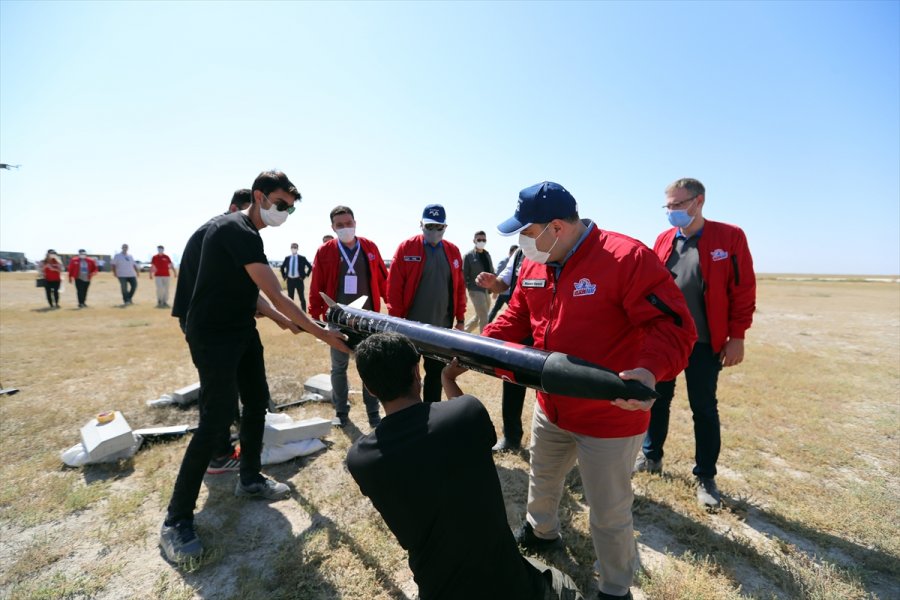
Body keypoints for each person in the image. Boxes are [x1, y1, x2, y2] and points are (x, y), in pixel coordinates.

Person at [483, 181, 696, 600]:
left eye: (528, 232)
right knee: (541, 478)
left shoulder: (626, 258)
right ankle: (543, 533)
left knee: (609, 510)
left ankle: (615, 587)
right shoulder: (533, 266)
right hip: (552, 406)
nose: (524, 242)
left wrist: (651, 369)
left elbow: (673, 327)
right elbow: (517, 318)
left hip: (609, 414)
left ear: (556, 228)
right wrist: (478, 346)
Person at [159, 170, 351, 564]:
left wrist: (285, 321)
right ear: (259, 196)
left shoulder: (238, 231)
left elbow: (250, 292)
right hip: (214, 335)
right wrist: (323, 334)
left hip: (240, 329)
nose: (284, 212)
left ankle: (249, 478)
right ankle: (176, 520)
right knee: (215, 419)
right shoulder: (238, 230)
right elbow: (277, 293)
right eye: (280, 204)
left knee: (257, 402)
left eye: (290, 209)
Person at [347, 332, 584, 600]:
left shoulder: (361, 460)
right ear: (416, 372)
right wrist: (447, 379)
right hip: (511, 585)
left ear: (369, 388)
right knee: (562, 585)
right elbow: (465, 425)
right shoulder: (466, 414)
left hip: (439, 589)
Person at [635, 178, 756, 510]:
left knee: (703, 408)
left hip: (705, 343)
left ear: (698, 201)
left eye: (677, 205)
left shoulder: (729, 237)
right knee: (656, 399)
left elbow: (743, 289)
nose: (671, 212)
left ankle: (705, 476)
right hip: (665, 341)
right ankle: (651, 456)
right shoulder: (663, 240)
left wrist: (738, 336)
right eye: (668, 206)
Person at [309, 205, 388, 428]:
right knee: (339, 367)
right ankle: (341, 412)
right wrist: (316, 318)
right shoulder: (325, 251)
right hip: (338, 319)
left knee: (370, 365)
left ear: (355, 222)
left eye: (348, 223)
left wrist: (392, 303)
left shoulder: (369, 247)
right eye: (340, 225)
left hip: (368, 319)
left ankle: (373, 413)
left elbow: (383, 278)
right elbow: (316, 286)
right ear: (332, 227)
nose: (345, 228)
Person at [387, 204, 466, 403]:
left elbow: (458, 287)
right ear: (421, 225)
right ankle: (411, 413)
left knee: (436, 374)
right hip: (410, 327)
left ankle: (433, 413)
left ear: (445, 227)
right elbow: (394, 289)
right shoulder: (407, 248)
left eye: (438, 227)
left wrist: (461, 318)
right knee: (408, 375)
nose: (434, 231)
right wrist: (396, 323)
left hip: (441, 329)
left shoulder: (453, 251)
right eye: (429, 227)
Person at [477, 246, 530, 452]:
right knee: (512, 383)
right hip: (520, 328)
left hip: (548, 329)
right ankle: (511, 437)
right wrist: (492, 283)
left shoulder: (559, 251)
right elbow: (502, 283)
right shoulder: (519, 254)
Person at [463, 230, 494, 333]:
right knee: (484, 316)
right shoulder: (468, 256)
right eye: (479, 239)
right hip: (475, 289)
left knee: (479, 316)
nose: (481, 241)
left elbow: (492, 272)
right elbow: (463, 275)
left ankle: (462, 332)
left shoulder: (487, 255)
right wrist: (463, 293)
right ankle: (485, 340)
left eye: (483, 240)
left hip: (486, 290)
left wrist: (494, 288)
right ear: (474, 241)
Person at [487, 244, 519, 323]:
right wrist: (495, 289)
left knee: (513, 311)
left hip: (509, 293)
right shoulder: (503, 262)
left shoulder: (518, 262)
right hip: (503, 292)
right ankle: (487, 323)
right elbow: (498, 276)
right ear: (510, 253)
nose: (515, 255)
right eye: (514, 252)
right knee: (496, 310)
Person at [280, 243, 312, 311]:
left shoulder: (302, 258)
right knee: (290, 297)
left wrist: (305, 275)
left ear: (297, 248)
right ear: (290, 248)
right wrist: (284, 276)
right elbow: (282, 267)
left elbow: (310, 267)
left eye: (295, 247)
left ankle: (304, 311)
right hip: (290, 280)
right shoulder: (287, 258)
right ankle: (290, 311)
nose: (293, 248)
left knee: (301, 297)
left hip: (299, 280)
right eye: (292, 247)